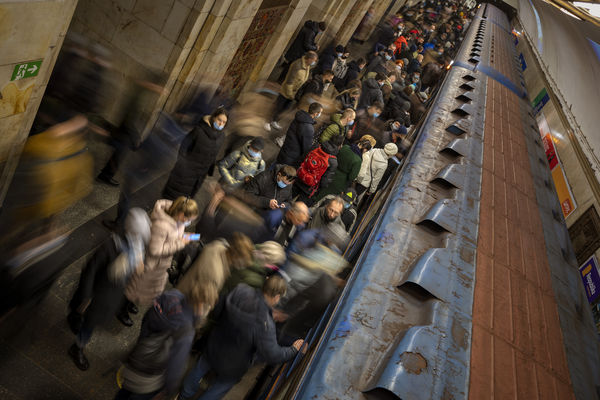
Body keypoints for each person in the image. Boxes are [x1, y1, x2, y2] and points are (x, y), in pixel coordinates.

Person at [177, 276, 303, 400]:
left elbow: (218, 309)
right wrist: (293, 349)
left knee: (198, 370)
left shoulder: (241, 290)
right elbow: (273, 354)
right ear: (276, 297)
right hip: (233, 365)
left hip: (214, 346)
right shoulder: (265, 324)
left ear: (265, 282)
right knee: (218, 388)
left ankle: (183, 396)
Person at [67, 209, 151, 371]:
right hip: (97, 295)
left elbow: (136, 264)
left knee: (88, 320)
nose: (140, 238)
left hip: (111, 295)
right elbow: (90, 271)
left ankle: (76, 319)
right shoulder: (110, 246)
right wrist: (86, 297)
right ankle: (77, 347)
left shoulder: (137, 246)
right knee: (88, 325)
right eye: (139, 234)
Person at [115, 284, 219, 400]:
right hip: (151, 377)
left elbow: (147, 319)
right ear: (201, 305)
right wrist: (169, 390)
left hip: (138, 358)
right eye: (208, 306)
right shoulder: (186, 331)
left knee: (124, 392)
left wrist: (143, 342)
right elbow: (175, 366)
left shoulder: (171, 295)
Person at [119, 197, 199, 326]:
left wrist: (183, 237)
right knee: (135, 287)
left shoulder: (178, 221)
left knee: (140, 288)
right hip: (151, 264)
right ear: (180, 214)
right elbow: (155, 250)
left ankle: (129, 304)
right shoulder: (162, 225)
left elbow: (172, 238)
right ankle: (121, 309)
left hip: (160, 265)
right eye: (188, 219)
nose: (188, 222)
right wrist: (180, 243)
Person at [162, 106, 228, 200]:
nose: (221, 123)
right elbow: (184, 147)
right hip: (185, 172)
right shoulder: (199, 130)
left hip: (200, 175)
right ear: (213, 117)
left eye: (224, 122)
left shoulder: (221, 137)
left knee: (185, 202)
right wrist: (183, 165)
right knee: (172, 197)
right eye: (219, 120)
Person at [177, 232, 255, 305]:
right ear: (235, 255)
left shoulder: (218, 246)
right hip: (183, 303)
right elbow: (202, 303)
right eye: (244, 261)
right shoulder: (215, 274)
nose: (244, 265)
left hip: (181, 289)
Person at [268, 51, 318, 131]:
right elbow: (289, 80)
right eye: (314, 60)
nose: (314, 62)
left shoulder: (307, 66)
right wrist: (290, 94)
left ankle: (275, 121)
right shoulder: (297, 65)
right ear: (309, 59)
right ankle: (267, 121)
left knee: (284, 109)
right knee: (278, 106)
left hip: (294, 92)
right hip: (286, 91)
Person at [313, 136, 373, 201]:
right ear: (365, 149)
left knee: (320, 193)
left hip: (330, 172)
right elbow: (352, 177)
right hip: (341, 182)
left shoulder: (345, 147)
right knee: (328, 199)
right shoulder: (358, 160)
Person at [294, 135, 342, 203]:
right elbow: (324, 182)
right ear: (339, 146)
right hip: (309, 188)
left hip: (299, 177)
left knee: (286, 199)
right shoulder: (333, 161)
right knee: (297, 207)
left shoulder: (317, 146)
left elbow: (303, 158)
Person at [276, 102, 322, 167]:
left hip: (285, 149)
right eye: (320, 112)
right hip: (291, 157)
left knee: (275, 166)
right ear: (315, 113)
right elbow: (306, 148)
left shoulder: (299, 117)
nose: (320, 114)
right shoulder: (308, 128)